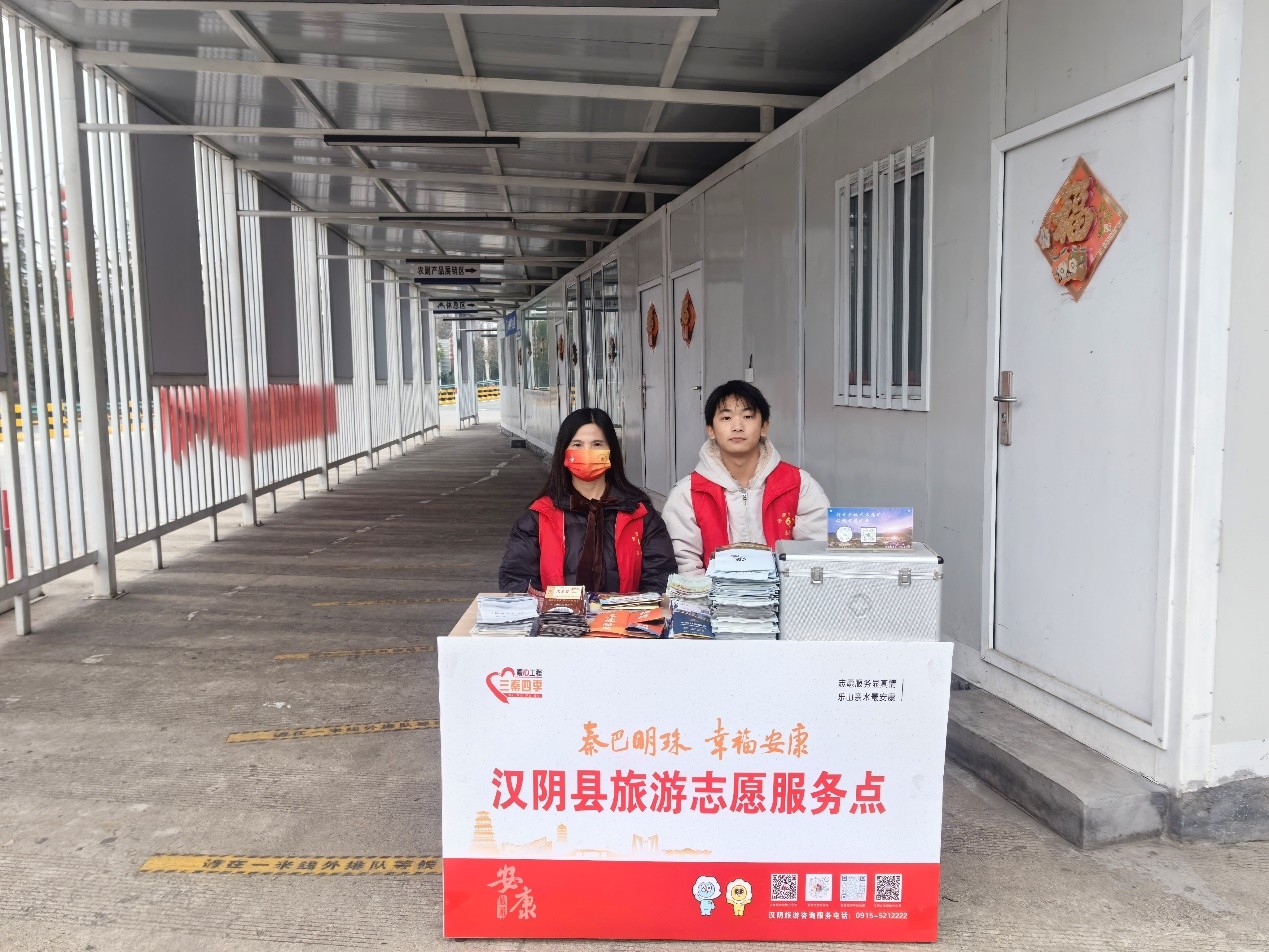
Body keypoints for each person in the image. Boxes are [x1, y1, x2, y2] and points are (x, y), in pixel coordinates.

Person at [499, 407, 677, 594]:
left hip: (624, 614)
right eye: (577, 444)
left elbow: (660, 577)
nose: (587, 452)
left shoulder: (639, 514)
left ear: (611, 451)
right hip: (557, 614)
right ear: (563, 452)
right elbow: (517, 580)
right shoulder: (539, 516)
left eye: (597, 444)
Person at [663, 380, 829, 575]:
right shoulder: (687, 493)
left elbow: (818, 550)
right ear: (711, 430)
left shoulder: (798, 484)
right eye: (726, 418)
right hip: (713, 594)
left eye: (748, 416)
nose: (737, 426)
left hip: (785, 592)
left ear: (764, 427)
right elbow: (684, 565)